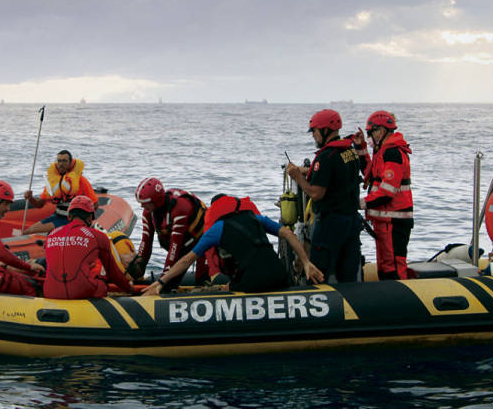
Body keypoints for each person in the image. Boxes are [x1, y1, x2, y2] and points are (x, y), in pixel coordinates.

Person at [142, 194, 324, 296]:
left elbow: (186, 260)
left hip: (254, 281)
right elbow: (287, 233)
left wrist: (160, 282)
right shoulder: (255, 218)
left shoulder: (217, 229)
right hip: (279, 275)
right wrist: (306, 262)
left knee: (217, 291)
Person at [286, 109, 362, 283]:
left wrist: (297, 177)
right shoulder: (349, 151)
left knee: (318, 272)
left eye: (314, 131)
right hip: (351, 220)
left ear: (325, 130)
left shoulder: (326, 157)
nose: (313, 136)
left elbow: (316, 193)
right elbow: (336, 176)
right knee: (348, 273)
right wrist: (308, 170)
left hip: (331, 223)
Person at [355, 110, 414, 280]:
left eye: (370, 133)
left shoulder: (392, 153)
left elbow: (387, 192)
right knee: (384, 267)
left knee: (394, 267)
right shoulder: (382, 152)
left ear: (380, 131)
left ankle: (402, 300)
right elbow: (370, 173)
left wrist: (360, 203)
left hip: (394, 222)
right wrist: (360, 148)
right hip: (384, 222)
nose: (369, 137)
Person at [43, 196, 134, 299]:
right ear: (90, 218)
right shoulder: (98, 236)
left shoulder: (51, 234)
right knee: (101, 283)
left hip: (49, 292)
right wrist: (129, 289)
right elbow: (113, 273)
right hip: (80, 292)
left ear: (69, 217)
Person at [131, 177, 208, 288]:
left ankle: (204, 285)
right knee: (165, 279)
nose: (142, 206)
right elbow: (146, 241)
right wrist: (138, 267)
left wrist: (163, 280)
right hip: (181, 245)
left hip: (200, 243)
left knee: (197, 281)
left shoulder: (180, 208)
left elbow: (175, 248)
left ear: (155, 201)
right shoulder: (148, 212)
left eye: (145, 203)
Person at [23, 150, 98, 235]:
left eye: (64, 161)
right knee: (27, 231)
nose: (61, 164)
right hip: (57, 216)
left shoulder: (81, 181)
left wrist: (82, 222)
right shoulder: (53, 181)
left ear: (70, 163)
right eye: (59, 161)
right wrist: (30, 198)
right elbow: (39, 204)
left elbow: (95, 204)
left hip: (71, 220)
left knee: (31, 232)